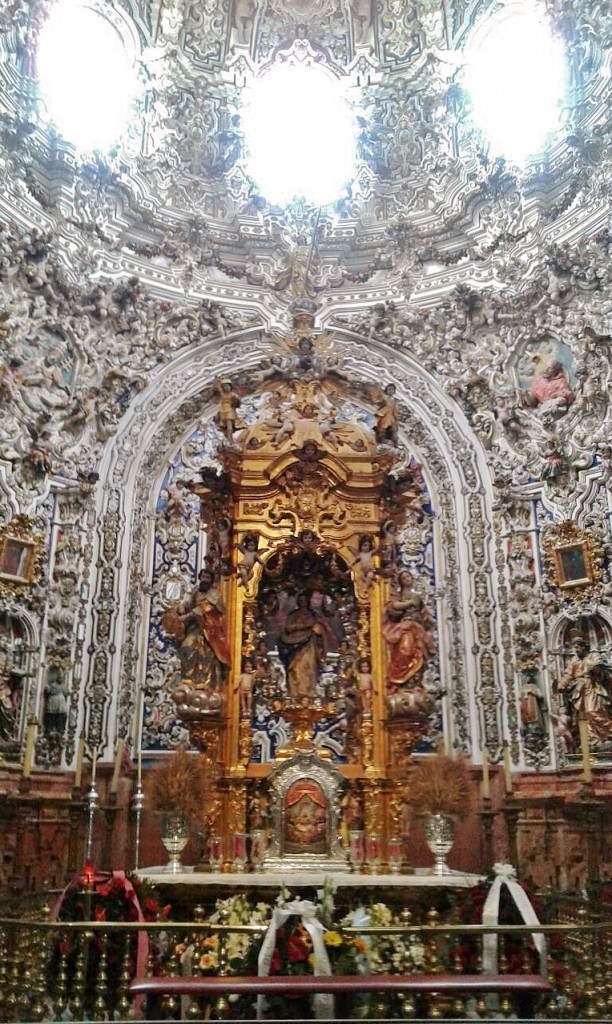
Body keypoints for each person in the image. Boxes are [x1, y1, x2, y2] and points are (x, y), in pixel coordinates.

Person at [164, 569, 231, 690]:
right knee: (186, 647)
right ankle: (189, 679)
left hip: (210, 631)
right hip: (195, 628)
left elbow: (205, 609)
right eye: (203, 577)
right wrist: (180, 608)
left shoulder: (214, 594)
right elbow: (189, 606)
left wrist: (187, 616)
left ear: (211, 580)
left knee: (204, 654)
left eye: (207, 577)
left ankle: (203, 681)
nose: (205, 579)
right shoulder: (196, 592)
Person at [382, 570, 434, 687]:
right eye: (404, 578)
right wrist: (409, 603)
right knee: (404, 651)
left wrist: (429, 625)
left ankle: (414, 680)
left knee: (418, 650)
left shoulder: (417, 595)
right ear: (401, 582)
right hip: (406, 626)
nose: (407, 579)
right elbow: (393, 607)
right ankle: (400, 678)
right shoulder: (399, 595)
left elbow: (424, 613)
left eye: (408, 576)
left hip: (417, 626)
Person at [557, 637, 612, 748]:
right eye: (574, 648)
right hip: (579, 691)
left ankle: (607, 734)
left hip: (592, 687)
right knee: (583, 716)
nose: (576, 650)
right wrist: (561, 685)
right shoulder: (574, 660)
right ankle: (592, 739)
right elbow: (568, 674)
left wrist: (593, 667)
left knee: (594, 711)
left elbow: (602, 671)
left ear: (583, 646)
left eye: (577, 647)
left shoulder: (593, 656)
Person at [278, 592, 327, 700]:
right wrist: (305, 626)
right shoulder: (293, 615)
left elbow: (319, 629)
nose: (303, 603)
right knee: (293, 669)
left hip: (308, 644)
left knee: (307, 668)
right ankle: (294, 694)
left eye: (305, 600)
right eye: (301, 600)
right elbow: (289, 627)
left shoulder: (313, 614)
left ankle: (308, 694)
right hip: (293, 644)